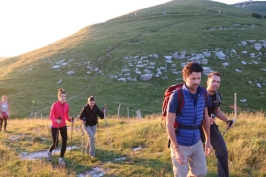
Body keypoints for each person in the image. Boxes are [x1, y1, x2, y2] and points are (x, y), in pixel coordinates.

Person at [166, 62, 212, 177]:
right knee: (180, 174)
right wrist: (176, 149)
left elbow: (205, 119)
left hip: (196, 142)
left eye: (199, 78)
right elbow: (169, 124)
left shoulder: (204, 94)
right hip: (180, 143)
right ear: (185, 78)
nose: (196, 82)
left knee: (201, 173)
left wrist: (208, 141)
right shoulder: (177, 95)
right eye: (193, 78)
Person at [206, 71, 233, 177]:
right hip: (197, 129)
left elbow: (217, 111)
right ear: (208, 81)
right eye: (213, 81)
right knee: (196, 155)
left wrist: (227, 121)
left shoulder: (217, 96)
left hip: (212, 128)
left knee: (223, 152)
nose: (215, 84)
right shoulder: (200, 95)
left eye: (218, 82)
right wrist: (205, 119)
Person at [47, 88, 73, 166]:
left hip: (63, 125)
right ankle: (49, 153)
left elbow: (66, 116)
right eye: (62, 96)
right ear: (59, 97)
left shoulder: (67, 105)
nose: (63, 98)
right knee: (55, 143)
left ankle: (61, 159)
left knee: (64, 142)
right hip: (55, 125)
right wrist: (56, 120)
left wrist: (70, 120)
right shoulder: (54, 105)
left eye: (65, 96)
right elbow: (50, 117)